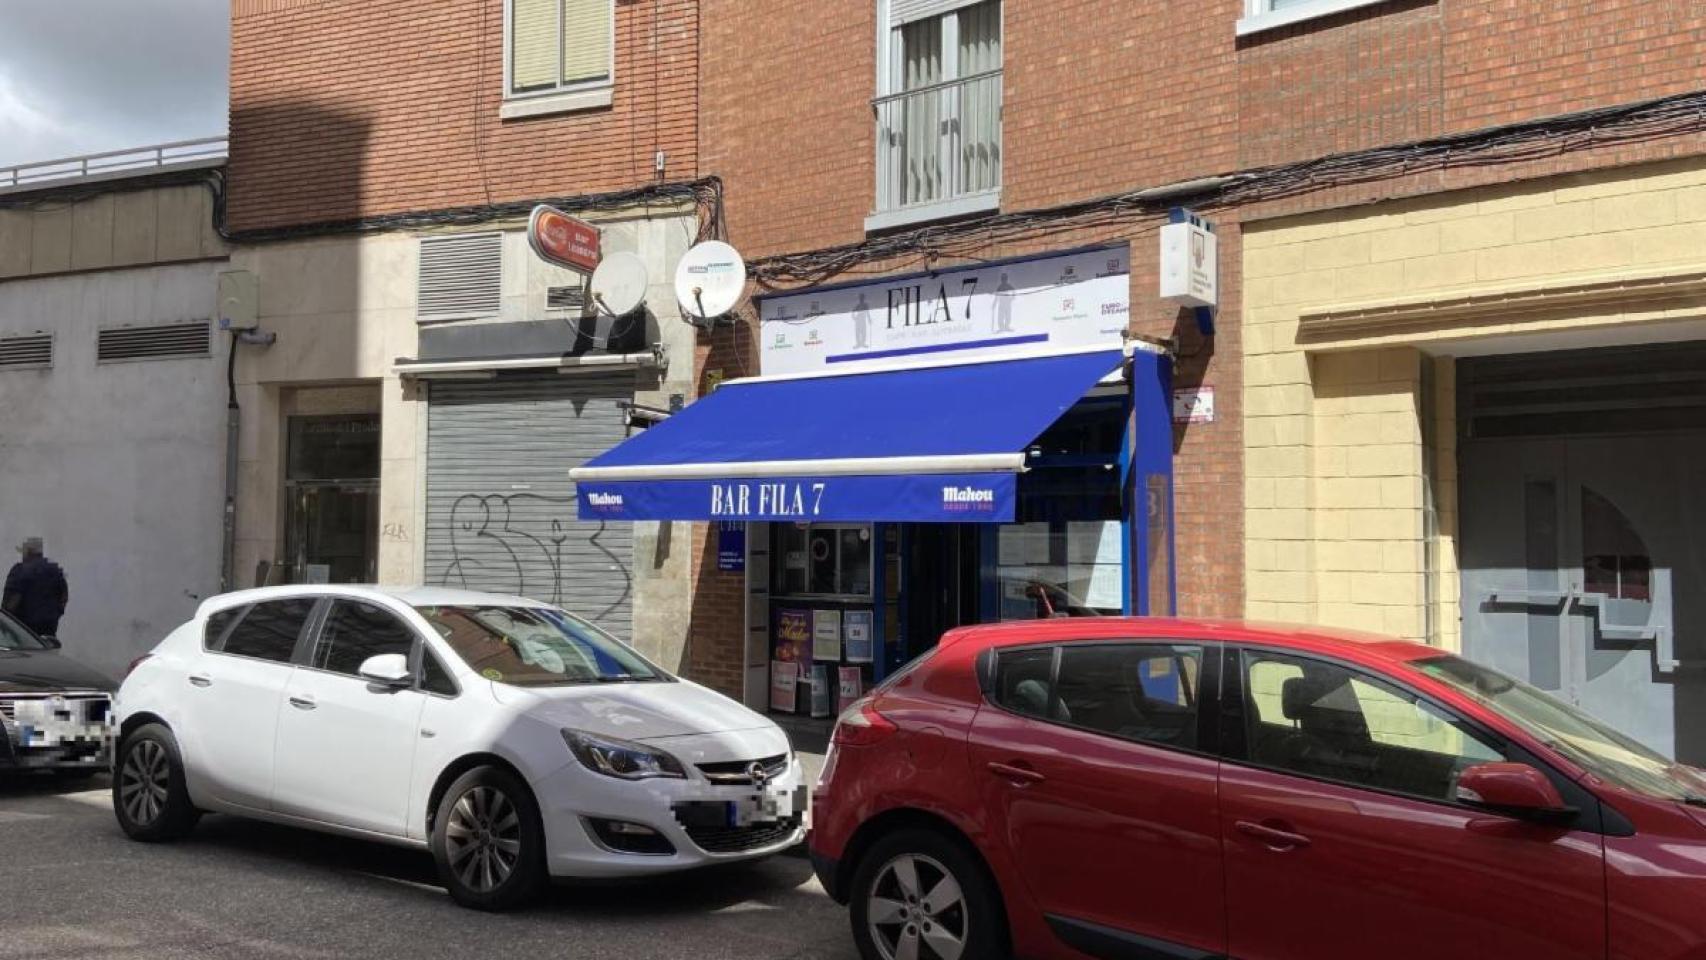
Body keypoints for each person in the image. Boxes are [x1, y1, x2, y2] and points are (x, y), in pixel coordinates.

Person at [3, 537, 68, 640]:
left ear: (28, 552)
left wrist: (6, 621)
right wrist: (57, 613)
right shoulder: (54, 570)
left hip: (24, 629)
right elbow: (64, 596)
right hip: (49, 628)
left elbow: (13, 600)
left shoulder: (19, 570)